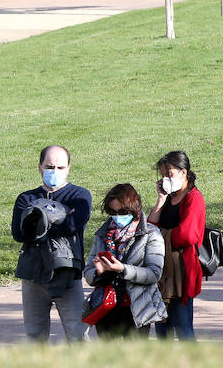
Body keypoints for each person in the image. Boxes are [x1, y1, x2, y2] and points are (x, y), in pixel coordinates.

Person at [11, 145, 92, 342]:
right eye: (50, 167)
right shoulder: (26, 198)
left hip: (67, 276)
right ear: (40, 167)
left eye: (60, 167)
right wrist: (60, 216)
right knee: (34, 338)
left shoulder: (80, 195)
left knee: (79, 336)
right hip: (33, 277)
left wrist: (39, 219)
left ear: (69, 168)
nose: (55, 171)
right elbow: (20, 234)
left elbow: (73, 225)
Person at [84, 184, 167, 338]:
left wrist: (122, 269)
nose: (117, 216)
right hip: (106, 307)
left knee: (135, 357)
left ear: (133, 208)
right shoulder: (102, 234)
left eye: (122, 212)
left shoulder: (150, 234)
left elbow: (154, 273)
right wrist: (98, 272)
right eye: (112, 212)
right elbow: (88, 273)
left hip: (137, 308)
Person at [147, 150, 204, 340]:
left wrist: (160, 237)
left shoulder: (194, 198)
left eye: (169, 174)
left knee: (183, 328)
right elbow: (150, 227)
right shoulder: (169, 198)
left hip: (181, 274)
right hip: (162, 272)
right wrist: (161, 199)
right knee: (162, 330)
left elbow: (187, 235)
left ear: (184, 172)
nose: (165, 178)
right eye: (163, 175)